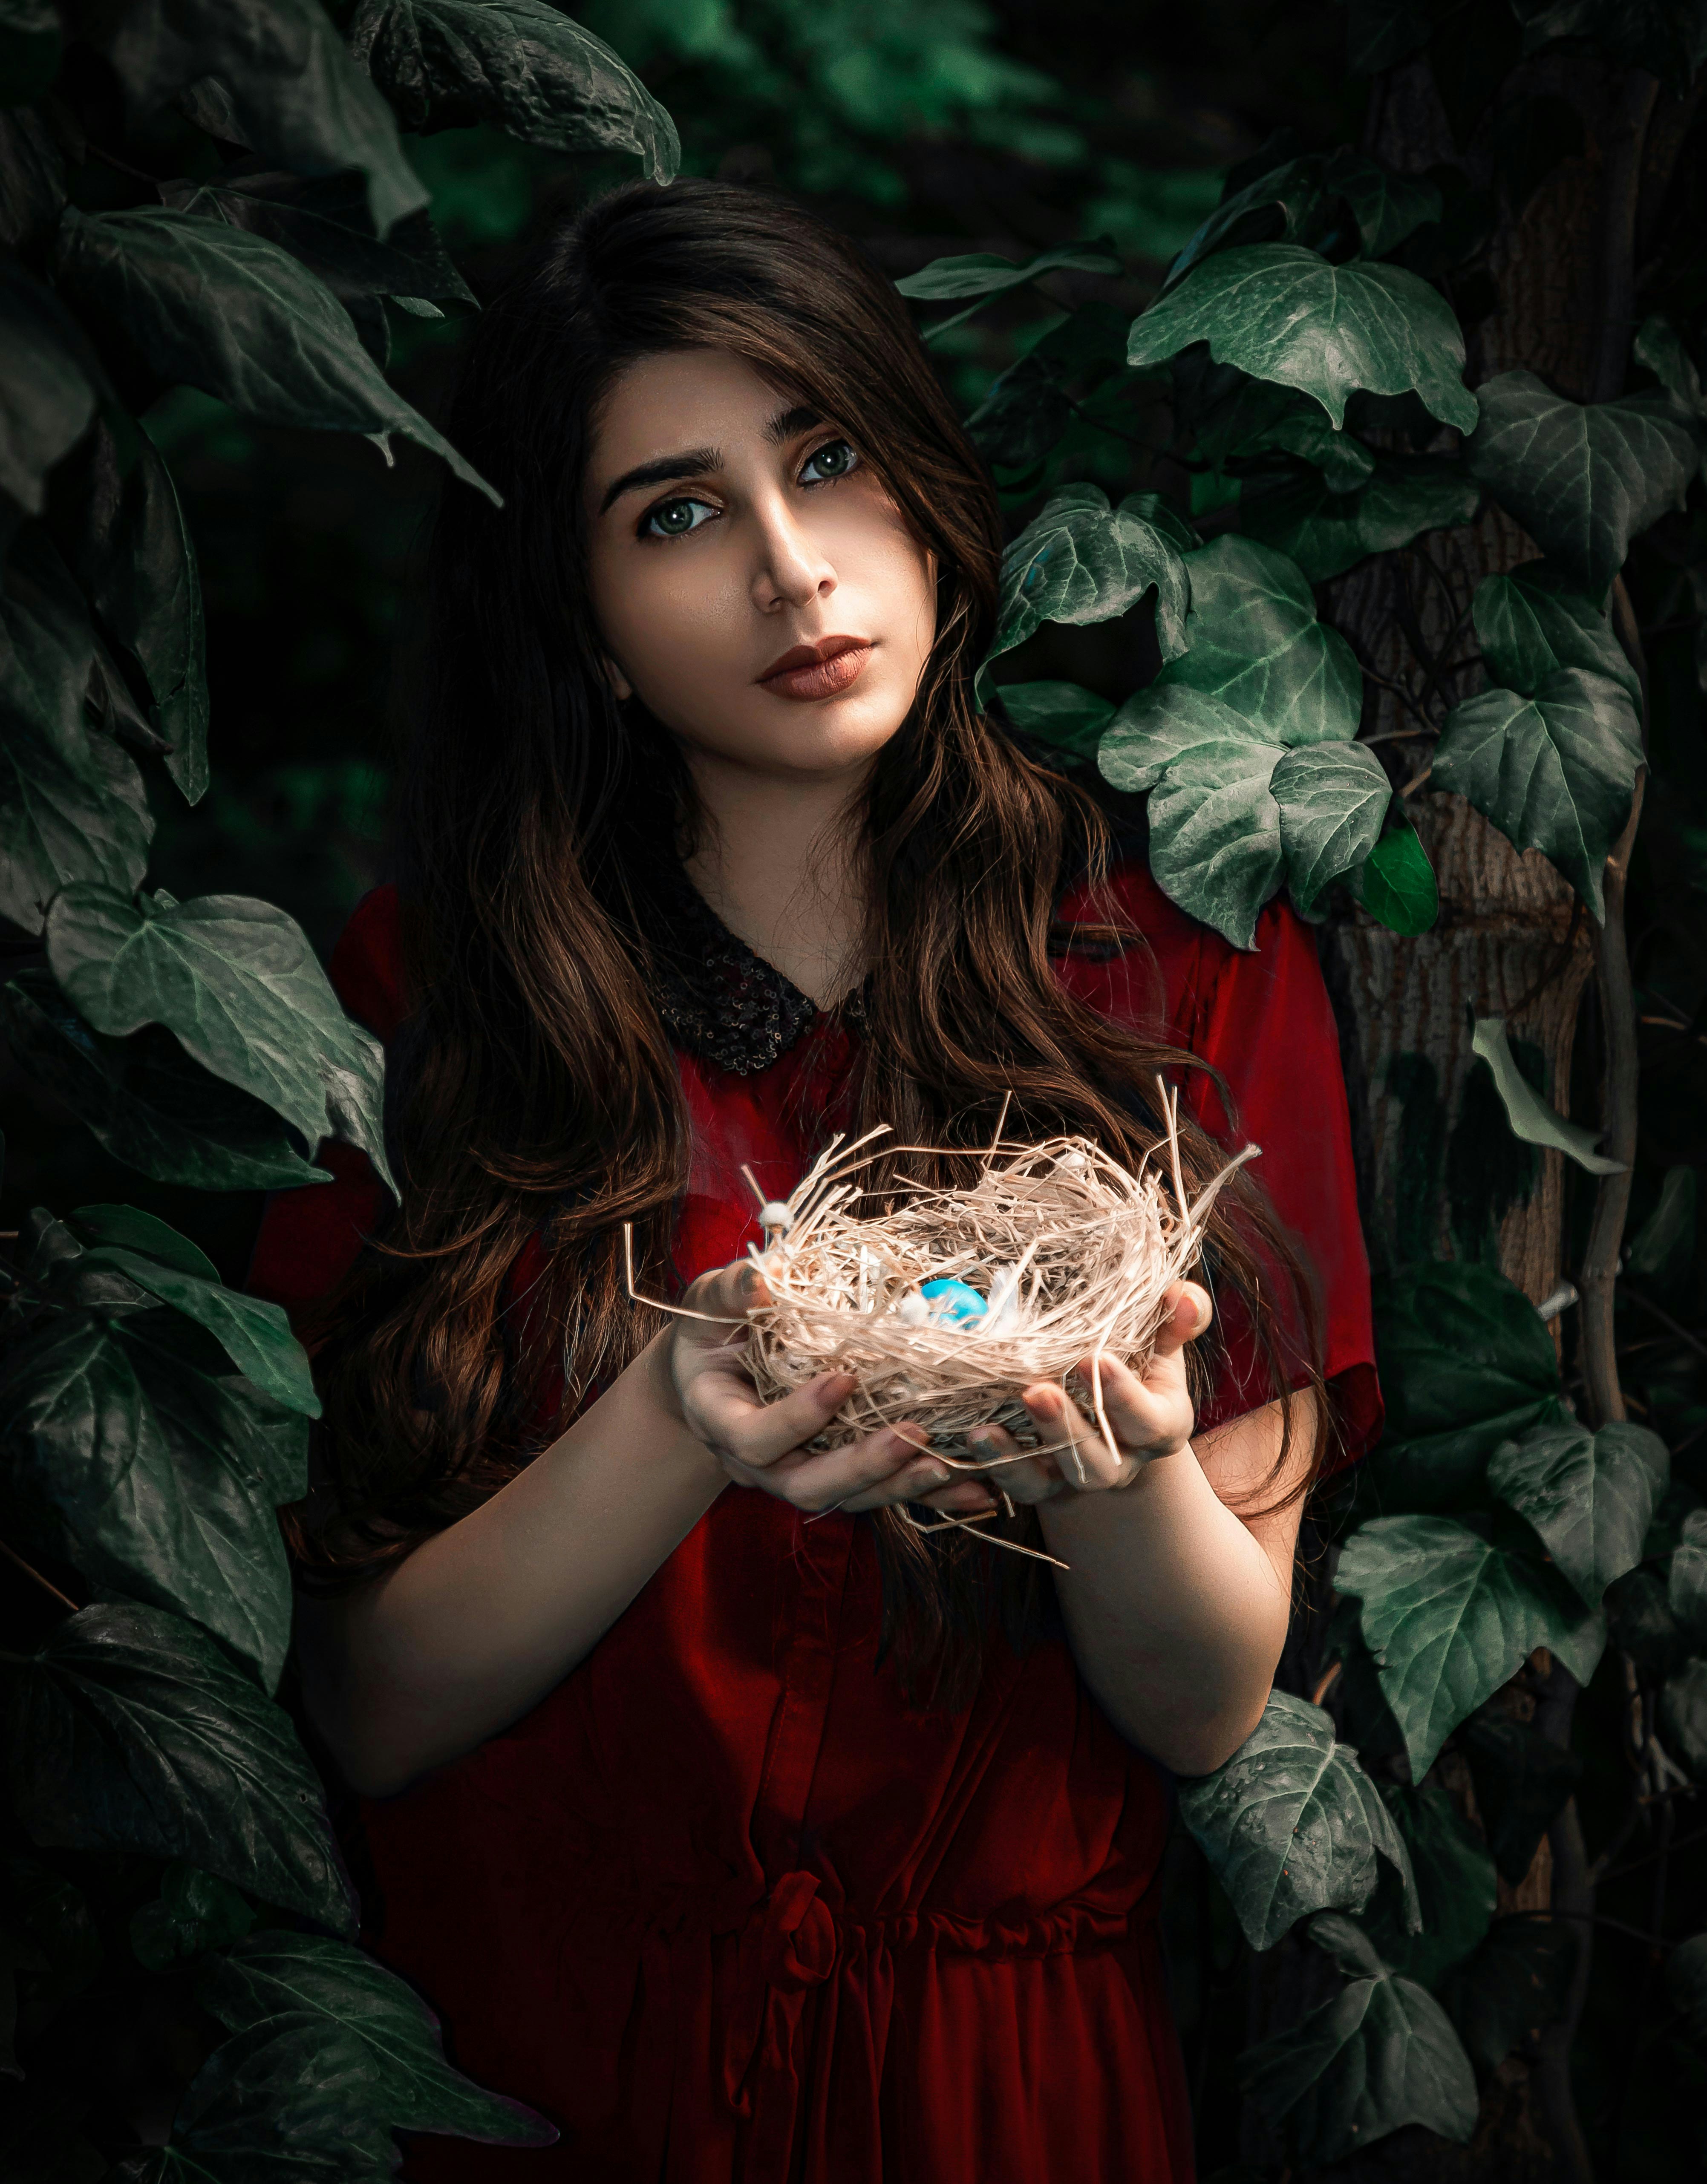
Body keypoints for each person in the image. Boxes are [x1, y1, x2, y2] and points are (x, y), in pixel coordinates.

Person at [251, 177, 1378, 2184]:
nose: (792, 570)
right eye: (673, 515)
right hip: (543, 2078)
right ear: (581, 626)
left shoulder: (1179, 962)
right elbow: (364, 1710)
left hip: (1002, 2090)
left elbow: (1208, 1706)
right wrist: (677, 1417)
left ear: (928, 491)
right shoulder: (424, 1002)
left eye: (828, 458)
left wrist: (1106, 1477)